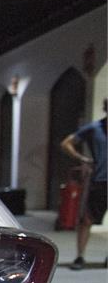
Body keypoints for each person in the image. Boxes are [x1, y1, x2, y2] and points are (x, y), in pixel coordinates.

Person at [59, 99, 107, 270]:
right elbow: (66, 143)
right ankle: (80, 257)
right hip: (99, 180)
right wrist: (83, 159)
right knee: (86, 219)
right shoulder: (94, 128)